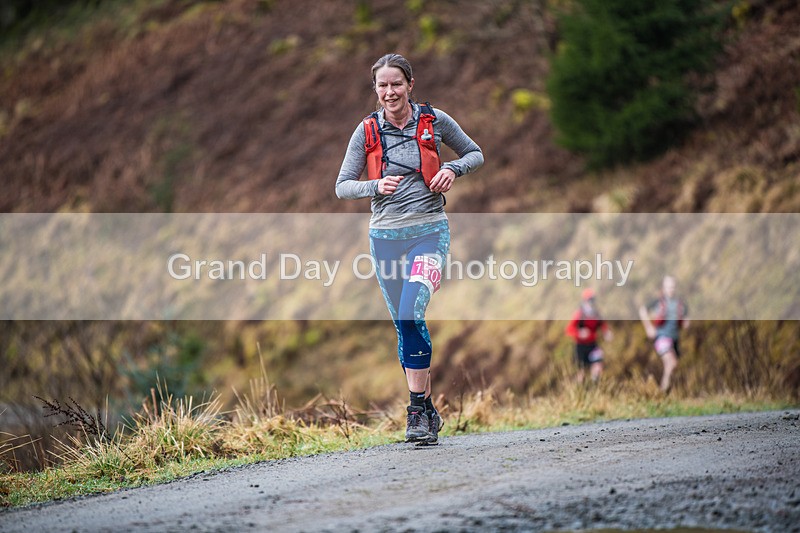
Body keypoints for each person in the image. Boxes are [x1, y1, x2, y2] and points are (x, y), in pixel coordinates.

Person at [335, 53, 483, 444]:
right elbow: (342, 185)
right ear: (375, 90)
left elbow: (475, 152)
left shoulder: (434, 121)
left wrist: (453, 169)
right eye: (382, 85)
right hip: (385, 239)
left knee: (410, 309)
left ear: (410, 85)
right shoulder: (366, 130)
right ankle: (428, 410)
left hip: (429, 232)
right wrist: (374, 186)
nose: (389, 92)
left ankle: (415, 411)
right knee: (404, 325)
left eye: (396, 84)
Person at [638, 275, 689, 392]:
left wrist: (686, 323)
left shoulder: (680, 304)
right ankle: (662, 391)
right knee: (671, 362)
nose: (671, 289)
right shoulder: (658, 302)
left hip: (675, 339)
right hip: (662, 337)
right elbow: (643, 310)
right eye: (668, 287)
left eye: (673, 287)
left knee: (672, 366)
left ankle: (664, 392)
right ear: (664, 288)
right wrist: (648, 327)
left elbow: (686, 319)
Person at [565, 288, 612, 383]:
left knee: (597, 367)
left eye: (593, 299)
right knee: (580, 374)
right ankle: (578, 392)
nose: (592, 301)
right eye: (590, 299)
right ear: (585, 300)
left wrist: (607, 333)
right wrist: (579, 333)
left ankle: (594, 387)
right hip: (581, 347)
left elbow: (603, 325)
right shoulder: (579, 314)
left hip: (593, 345)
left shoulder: (596, 313)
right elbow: (569, 330)